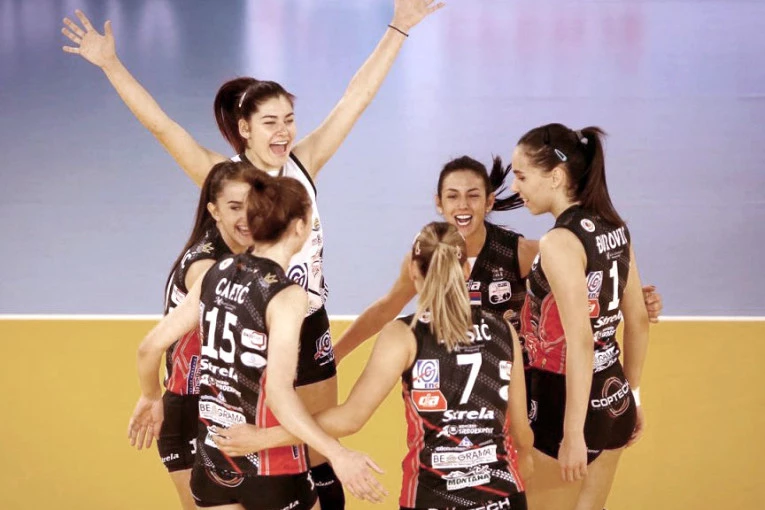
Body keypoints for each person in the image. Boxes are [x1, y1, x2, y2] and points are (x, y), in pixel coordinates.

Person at [62, 2, 443, 507]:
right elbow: (164, 127)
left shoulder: (304, 163)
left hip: (306, 319)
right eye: (270, 122)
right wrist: (111, 64)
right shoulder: (225, 178)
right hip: (253, 326)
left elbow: (356, 99)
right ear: (245, 128)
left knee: (316, 453)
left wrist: (398, 28)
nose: (283, 131)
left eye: (289, 119)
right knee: (255, 455)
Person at [212, 222, 534, 510]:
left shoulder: (405, 335)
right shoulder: (503, 330)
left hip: (434, 498)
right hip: (503, 497)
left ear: (413, 271)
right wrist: (522, 458)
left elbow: (350, 418)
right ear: (465, 270)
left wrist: (265, 438)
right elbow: (521, 433)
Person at [128, 169, 386, 509]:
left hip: (213, 462)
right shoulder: (286, 296)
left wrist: (150, 396)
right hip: (269, 467)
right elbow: (278, 394)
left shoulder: (215, 272)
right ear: (300, 227)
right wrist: (336, 453)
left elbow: (148, 348)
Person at [332, 155, 661, 366]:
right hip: (451, 382)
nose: (463, 205)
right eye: (452, 196)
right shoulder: (426, 257)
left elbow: (587, 272)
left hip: (513, 380)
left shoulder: (520, 253)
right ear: (439, 203)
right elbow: (386, 309)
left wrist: (630, 298)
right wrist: (333, 357)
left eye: (473, 196)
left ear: (489, 202)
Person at [510, 123, 649, 510]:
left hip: (565, 403)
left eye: (522, 176)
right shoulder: (614, 226)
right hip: (614, 394)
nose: (516, 188)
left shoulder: (559, 242)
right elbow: (637, 320)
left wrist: (572, 434)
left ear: (555, 177)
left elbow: (581, 340)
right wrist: (632, 395)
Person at [146, 161, 255, 508]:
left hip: (224, 405)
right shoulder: (206, 268)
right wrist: (150, 395)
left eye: (253, 205)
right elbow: (150, 347)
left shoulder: (243, 249)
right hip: (191, 410)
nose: (247, 217)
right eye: (235, 207)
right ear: (214, 210)